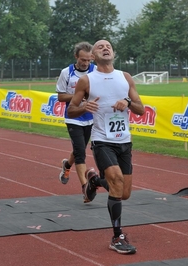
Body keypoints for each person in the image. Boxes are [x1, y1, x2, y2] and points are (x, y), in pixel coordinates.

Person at [67, 39, 145, 254]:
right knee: (117, 182)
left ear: (113, 52)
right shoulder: (86, 80)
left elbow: (141, 109)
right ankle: (117, 236)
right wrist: (84, 107)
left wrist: (128, 103)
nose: (105, 47)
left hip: (124, 141)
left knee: (124, 192)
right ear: (93, 55)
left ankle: (94, 181)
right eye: (100, 46)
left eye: (108, 45)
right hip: (102, 140)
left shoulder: (125, 77)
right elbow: (71, 110)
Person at [56, 41, 108, 203]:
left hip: (91, 117)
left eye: (88, 60)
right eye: (82, 60)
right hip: (74, 117)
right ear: (76, 57)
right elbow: (60, 96)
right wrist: (78, 96)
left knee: (80, 148)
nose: (86, 63)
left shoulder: (95, 71)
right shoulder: (67, 73)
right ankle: (86, 188)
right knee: (80, 153)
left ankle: (67, 165)